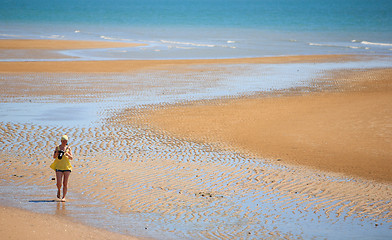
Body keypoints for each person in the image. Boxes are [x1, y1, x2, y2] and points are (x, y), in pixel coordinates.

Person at [51, 135, 73, 202]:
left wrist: (67, 154)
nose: (64, 142)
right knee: (59, 183)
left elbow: (71, 158)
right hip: (59, 167)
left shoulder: (68, 148)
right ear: (61, 141)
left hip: (67, 167)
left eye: (65, 141)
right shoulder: (57, 148)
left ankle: (63, 197)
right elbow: (54, 157)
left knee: (65, 183)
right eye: (63, 141)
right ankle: (59, 190)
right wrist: (57, 153)